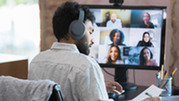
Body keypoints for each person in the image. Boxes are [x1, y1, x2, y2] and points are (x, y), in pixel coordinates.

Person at [28, 1, 122, 101]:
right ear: (77, 30)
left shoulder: (36, 62)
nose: (92, 40)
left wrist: (97, 88)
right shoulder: (86, 66)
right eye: (90, 32)